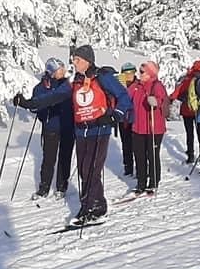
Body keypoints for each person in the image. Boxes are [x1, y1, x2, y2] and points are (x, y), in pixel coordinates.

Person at [16, 44, 133, 225]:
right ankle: (97, 205)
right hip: (81, 131)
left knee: (91, 170)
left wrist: (115, 116)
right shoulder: (74, 81)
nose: (74, 62)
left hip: (99, 129)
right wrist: (29, 103)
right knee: (84, 170)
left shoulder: (103, 77)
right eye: (74, 59)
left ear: (87, 61)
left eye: (77, 60)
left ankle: (89, 208)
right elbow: (53, 96)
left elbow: (124, 97)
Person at [24, 58, 75, 200]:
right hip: (50, 127)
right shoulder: (40, 88)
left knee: (65, 158)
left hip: (67, 127)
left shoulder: (67, 85)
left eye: (63, 68)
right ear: (52, 72)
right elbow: (35, 106)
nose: (64, 71)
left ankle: (61, 187)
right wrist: (41, 113)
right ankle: (43, 188)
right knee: (48, 159)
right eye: (60, 69)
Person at [127, 61, 169, 194]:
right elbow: (125, 97)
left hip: (153, 128)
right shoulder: (136, 86)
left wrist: (156, 102)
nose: (139, 74)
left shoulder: (157, 85)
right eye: (139, 71)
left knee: (152, 154)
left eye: (142, 71)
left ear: (150, 73)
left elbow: (162, 99)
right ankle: (141, 182)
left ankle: (154, 181)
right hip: (138, 127)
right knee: (139, 155)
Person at [171, 60, 200, 163]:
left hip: (188, 111)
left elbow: (176, 93)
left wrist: (171, 98)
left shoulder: (186, 79)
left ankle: (191, 155)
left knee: (190, 134)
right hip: (198, 111)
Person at [116, 62, 138, 176]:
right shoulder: (119, 85)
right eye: (126, 73)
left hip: (135, 119)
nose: (129, 75)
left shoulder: (138, 84)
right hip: (123, 119)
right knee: (126, 143)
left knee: (136, 144)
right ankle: (128, 166)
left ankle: (140, 167)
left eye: (131, 72)